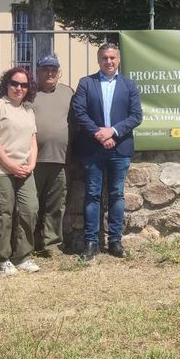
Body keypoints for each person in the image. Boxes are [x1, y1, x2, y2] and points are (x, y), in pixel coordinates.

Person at [71, 42, 142, 261]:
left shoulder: (129, 85)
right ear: (98, 60)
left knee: (116, 194)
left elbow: (136, 116)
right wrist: (99, 133)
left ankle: (115, 241)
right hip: (92, 148)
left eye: (112, 58)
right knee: (92, 194)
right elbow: (79, 112)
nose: (108, 61)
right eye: (104, 58)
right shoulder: (86, 83)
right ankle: (91, 242)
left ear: (118, 59)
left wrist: (112, 131)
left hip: (120, 148)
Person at [0, 67, 40, 275]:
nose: (18, 88)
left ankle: (22, 257)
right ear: (7, 84)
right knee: (2, 213)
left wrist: (31, 164)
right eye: (14, 83)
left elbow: (32, 141)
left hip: (23, 169)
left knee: (29, 209)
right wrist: (10, 165)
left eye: (24, 85)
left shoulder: (28, 111)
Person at [31, 54, 74, 256]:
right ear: (37, 72)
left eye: (53, 69)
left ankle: (51, 244)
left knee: (56, 205)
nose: (50, 73)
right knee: (29, 205)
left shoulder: (68, 93)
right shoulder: (28, 91)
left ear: (59, 72)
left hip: (60, 158)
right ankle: (27, 244)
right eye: (45, 69)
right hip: (31, 160)